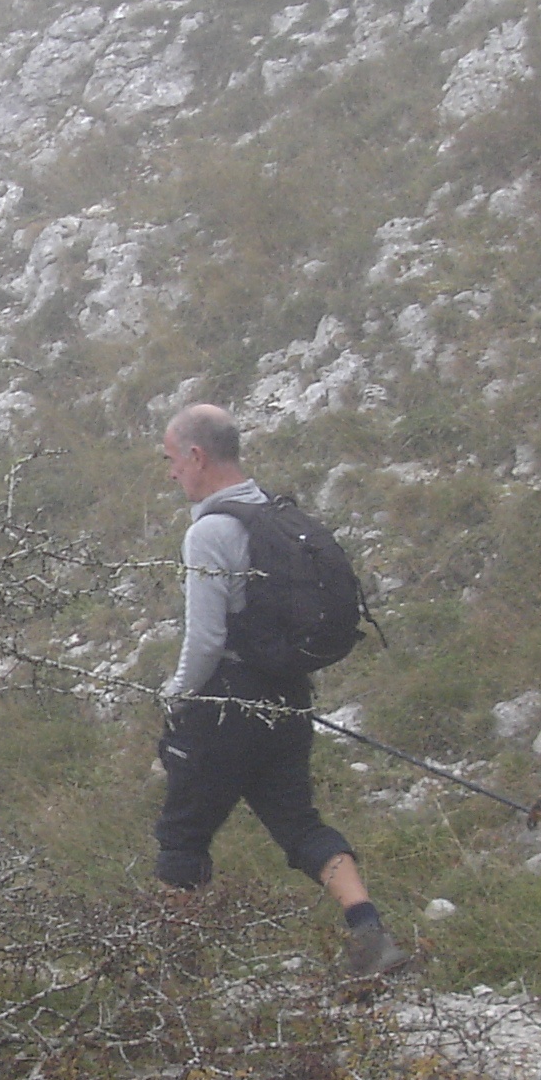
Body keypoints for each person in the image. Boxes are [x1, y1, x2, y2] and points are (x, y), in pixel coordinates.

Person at [153, 402, 415, 979]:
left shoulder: (210, 531)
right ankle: (369, 932)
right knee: (299, 823)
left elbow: (205, 639)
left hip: (225, 704)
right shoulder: (274, 513)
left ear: (196, 456)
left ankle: (172, 978)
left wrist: (175, 697)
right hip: (287, 695)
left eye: (171, 460)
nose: (171, 473)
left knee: (182, 836)